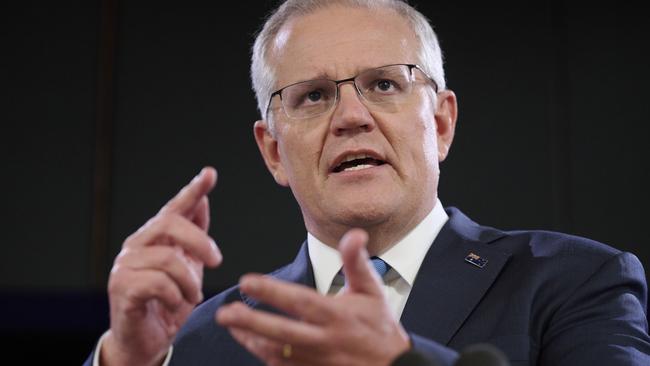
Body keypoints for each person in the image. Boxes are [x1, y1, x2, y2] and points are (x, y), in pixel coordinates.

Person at [84, 0, 650, 365]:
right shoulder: (205, 337)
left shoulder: (576, 282)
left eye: (383, 85)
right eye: (312, 95)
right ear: (274, 151)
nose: (351, 116)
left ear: (441, 122)